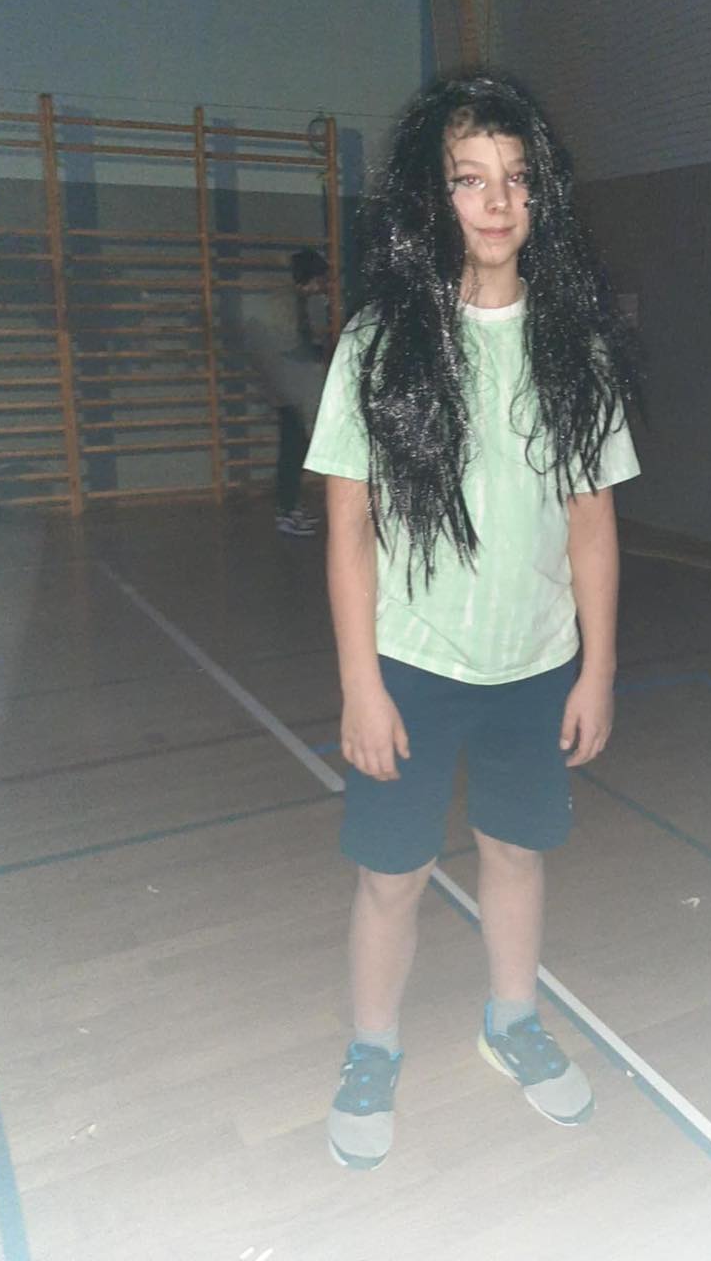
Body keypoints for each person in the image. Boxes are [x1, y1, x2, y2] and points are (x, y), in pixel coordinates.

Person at [303, 73, 642, 1170]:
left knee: (517, 854)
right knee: (391, 877)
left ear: (542, 196)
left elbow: (591, 522)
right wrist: (361, 686)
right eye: (469, 179)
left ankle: (513, 1020)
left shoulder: (574, 348)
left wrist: (596, 670)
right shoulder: (379, 344)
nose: (497, 202)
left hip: (535, 667)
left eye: (517, 179)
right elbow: (349, 527)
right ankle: (372, 1048)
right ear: (430, 196)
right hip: (410, 665)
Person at [241, 248, 330, 535]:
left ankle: (290, 505)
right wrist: (317, 352)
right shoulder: (285, 303)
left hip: (289, 385)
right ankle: (286, 510)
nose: (321, 286)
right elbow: (287, 345)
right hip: (285, 386)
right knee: (293, 448)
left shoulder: (294, 302)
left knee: (297, 446)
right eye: (319, 279)